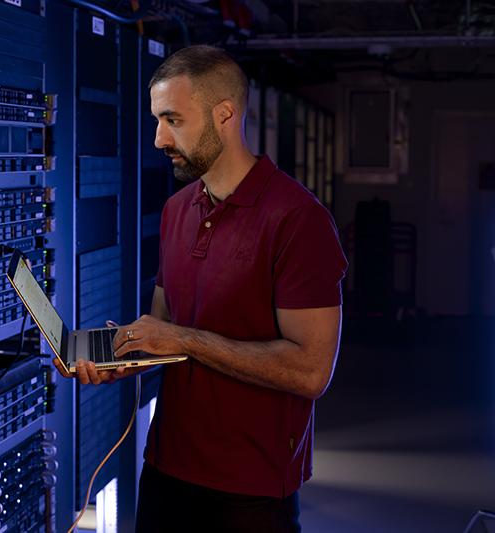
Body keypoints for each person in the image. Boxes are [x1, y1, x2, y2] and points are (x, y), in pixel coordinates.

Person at [53, 45, 347, 532]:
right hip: (168, 466)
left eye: (173, 119)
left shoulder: (299, 220)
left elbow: (312, 371)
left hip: (250, 488)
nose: (158, 138)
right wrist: (124, 354)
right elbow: (166, 325)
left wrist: (185, 340)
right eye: (156, 120)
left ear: (224, 114)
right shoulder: (178, 209)